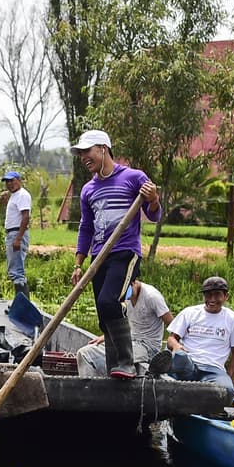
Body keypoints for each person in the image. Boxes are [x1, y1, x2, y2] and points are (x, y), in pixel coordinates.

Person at [69, 129, 162, 379]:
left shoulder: (133, 178)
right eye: (80, 154)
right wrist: (79, 263)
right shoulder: (89, 189)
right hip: (98, 256)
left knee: (109, 301)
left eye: (87, 151)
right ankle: (115, 368)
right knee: (103, 315)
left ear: (103, 148)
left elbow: (154, 214)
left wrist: (153, 200)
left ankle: (126, 362)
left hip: (124, 252)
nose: (83, 158)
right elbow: (86, 227)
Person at [148, 276, 234, 397]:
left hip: (213, 369)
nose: (212, 299)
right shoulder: (190, 313)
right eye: (208, 295)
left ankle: (170, 376)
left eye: (217, 295)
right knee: (179, 356)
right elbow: (171, 339)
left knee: (228, 391)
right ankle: (161, 373)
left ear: (226, 296)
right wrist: (177, 346)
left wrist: (229, 376)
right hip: (188, 363)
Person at [75, 275, 172, 377]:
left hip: (147, 347)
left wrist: (170, 349)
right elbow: (126, 323)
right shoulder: (122, 296)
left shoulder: (152, 297)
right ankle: (89, 389)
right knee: (84, 353)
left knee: (117, 357)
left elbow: (172, 324)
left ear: (133, 283)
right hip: (129, 341)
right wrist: (108, 336)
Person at [0, 170, 32, 297]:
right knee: (14, 270)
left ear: (19, 180)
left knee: (16, 271)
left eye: (12, 181)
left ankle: (23, 305)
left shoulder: (22, 195)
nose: (9, 184)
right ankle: (20, 303)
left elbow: (25, 217)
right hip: (12, 233)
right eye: (7, 182)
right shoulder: (15, 195)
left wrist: (18, 239)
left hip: (16, 233)